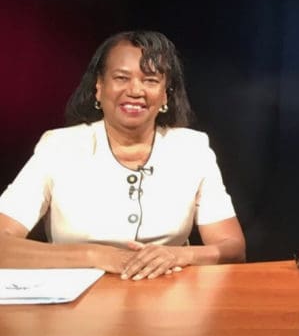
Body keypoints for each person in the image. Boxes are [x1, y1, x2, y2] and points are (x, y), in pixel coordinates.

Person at [0, 31, 246, 280]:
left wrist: (180, 255)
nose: (135, 90)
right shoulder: (59, 148)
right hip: (75, 305)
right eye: (121, 77)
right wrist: (95, 257)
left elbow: (233, 248)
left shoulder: (192, 149)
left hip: (168, 300)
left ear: (165, 95)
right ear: (99, 87)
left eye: (150, 80)